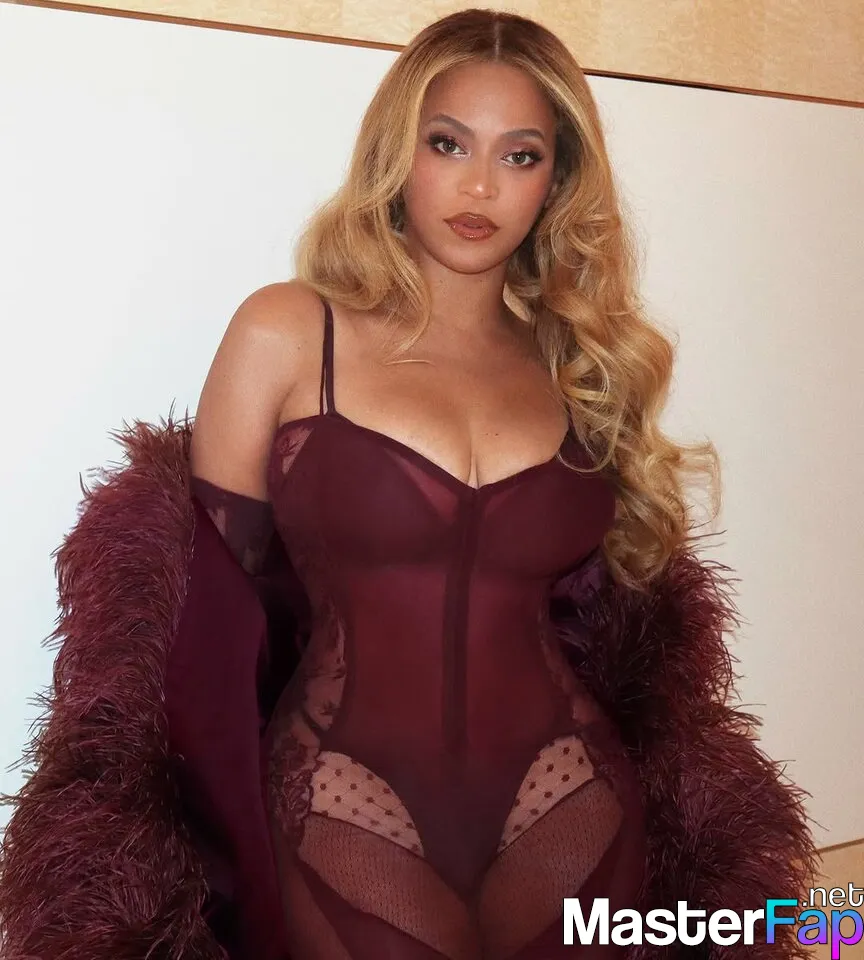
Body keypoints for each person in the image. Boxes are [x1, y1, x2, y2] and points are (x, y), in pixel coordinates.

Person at [0, 8, 817, 960]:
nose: (480, 185)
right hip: (344, 800)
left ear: (557, 181)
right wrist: (218, 867)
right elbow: (211, 622)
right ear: (399, 153)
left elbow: (609, 615)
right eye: (448, 144)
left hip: (570, 795)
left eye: (520, 156)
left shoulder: (579, 368)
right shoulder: (289, 332)